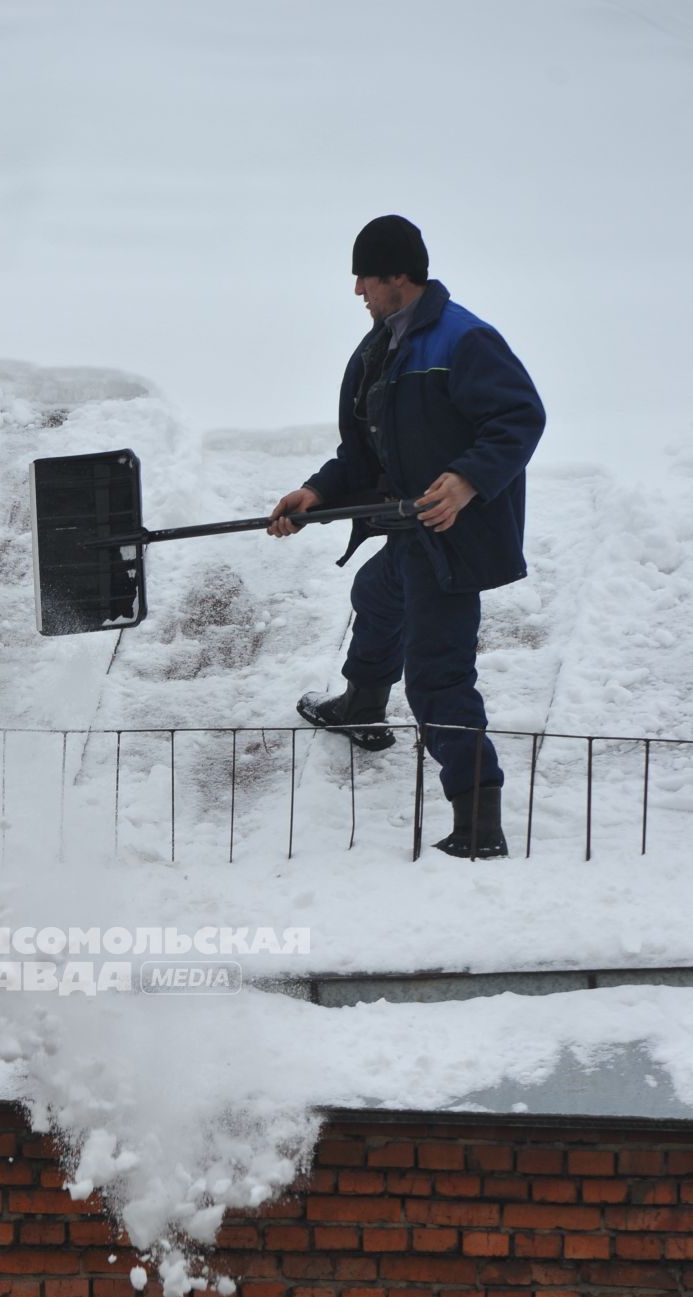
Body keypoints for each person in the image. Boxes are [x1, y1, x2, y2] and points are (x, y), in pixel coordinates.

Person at [268, 216, 545, 858]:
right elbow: (362, 453)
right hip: (409, 530)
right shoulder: (380, 348)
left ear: (397, 276)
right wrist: (317, 493)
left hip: (451, 537)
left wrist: (469, 479)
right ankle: (363, 706)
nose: (358, 290)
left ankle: (479, 826)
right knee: (377, 593)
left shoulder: (463, 339)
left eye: (365, 276)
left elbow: (518, 416)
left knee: (437, 679)